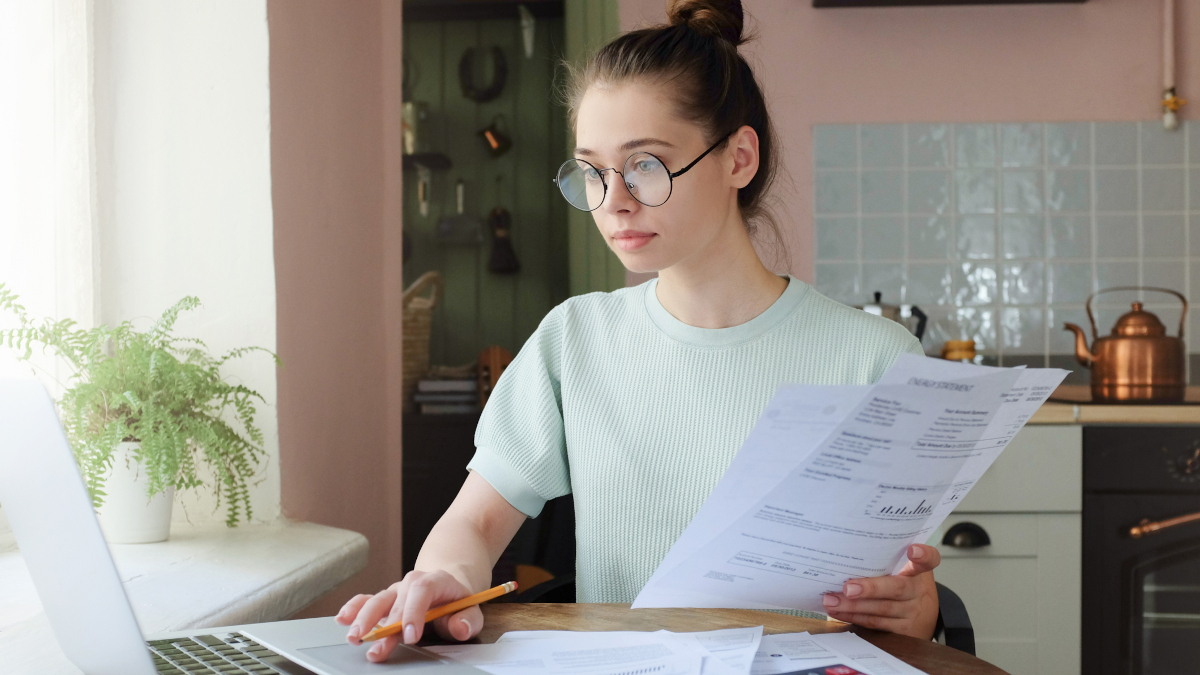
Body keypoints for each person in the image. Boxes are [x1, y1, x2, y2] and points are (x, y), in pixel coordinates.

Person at [339, 0, 940, 661]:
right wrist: (445, 577)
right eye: (592, 171)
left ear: (738, 158)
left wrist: (913, 607)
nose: (613, 198)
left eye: (646, 165)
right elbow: (475, 521)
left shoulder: (876, 359)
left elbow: (913, 597)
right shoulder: (575, 340)